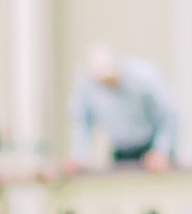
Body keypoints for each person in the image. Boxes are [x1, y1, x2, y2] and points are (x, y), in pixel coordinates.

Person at [70, 41, 177, 170]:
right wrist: (78, 156)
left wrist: (161, 150)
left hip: (151, 147)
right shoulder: (87, 86)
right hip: (120, 151)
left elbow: (169, 115)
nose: (108, 85)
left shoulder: (145, 76)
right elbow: (82, 121)